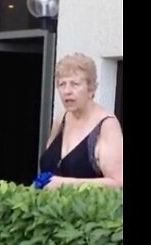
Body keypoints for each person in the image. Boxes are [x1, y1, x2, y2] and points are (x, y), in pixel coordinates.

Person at [37, 53, 123, 190]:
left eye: (75, 84)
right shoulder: (62, 119)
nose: (67, 91)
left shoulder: (107, 126)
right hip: (52, 209)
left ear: (91, 88)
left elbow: (118, 182)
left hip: (89, 210)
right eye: (62, 84)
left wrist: (64, 184)